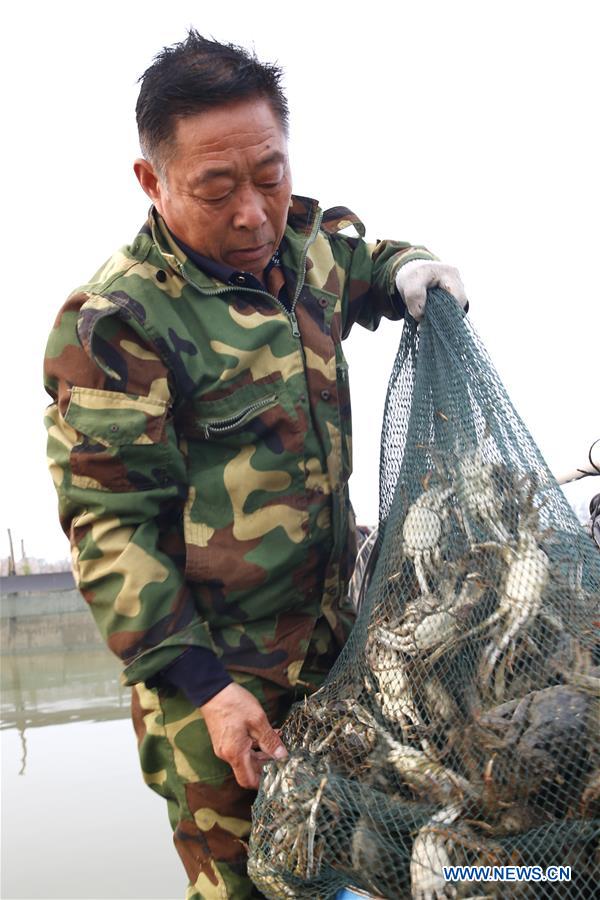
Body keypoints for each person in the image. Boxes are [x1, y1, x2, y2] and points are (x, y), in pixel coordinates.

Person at [43, 30, 467, 900]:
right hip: (217, 687)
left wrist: (409, 269)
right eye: (216, 187)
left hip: (342, 652)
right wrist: (207, 692)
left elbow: (367, 265)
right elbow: (110, 531)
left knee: (369, 862)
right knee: (247, 883)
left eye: (269, 177)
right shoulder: (116, 326)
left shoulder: (304, 248)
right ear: (152, 182)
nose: (252, 214)